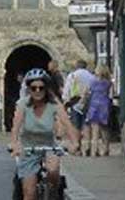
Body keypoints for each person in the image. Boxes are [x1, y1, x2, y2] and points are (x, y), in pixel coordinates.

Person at [10, 68, 79, 200]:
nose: (37, 91)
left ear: (46, 88)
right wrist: (14, 144)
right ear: (29, 88)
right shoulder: (23, 104)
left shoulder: (54, 103)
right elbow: (16, 127)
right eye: (33, 87)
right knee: (29, 193)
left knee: (53, 171)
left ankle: (54, 194)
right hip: (28, 147)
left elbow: (67, 124)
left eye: (41, 88)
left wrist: (74, 142)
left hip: (49, 145)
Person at [61, 61, 93, 154]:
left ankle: (77, 146)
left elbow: (67, 89)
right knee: (86, 125)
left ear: (77, 66)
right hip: (88, 103)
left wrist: (65, 101)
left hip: (75, 102)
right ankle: (88, 146)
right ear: (85, 66)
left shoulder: (72, 75)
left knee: (76, 125)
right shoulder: (91, 76)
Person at [82, 64, 114, 156]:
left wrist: (83, 101)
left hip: (94, 106)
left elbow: (85, 93)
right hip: (104, 106)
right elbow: (111, 95)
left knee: (94, 130)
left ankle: (94, 151)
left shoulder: (92, 81)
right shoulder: (109, 83)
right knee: (104, 129)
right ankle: (105, 149)